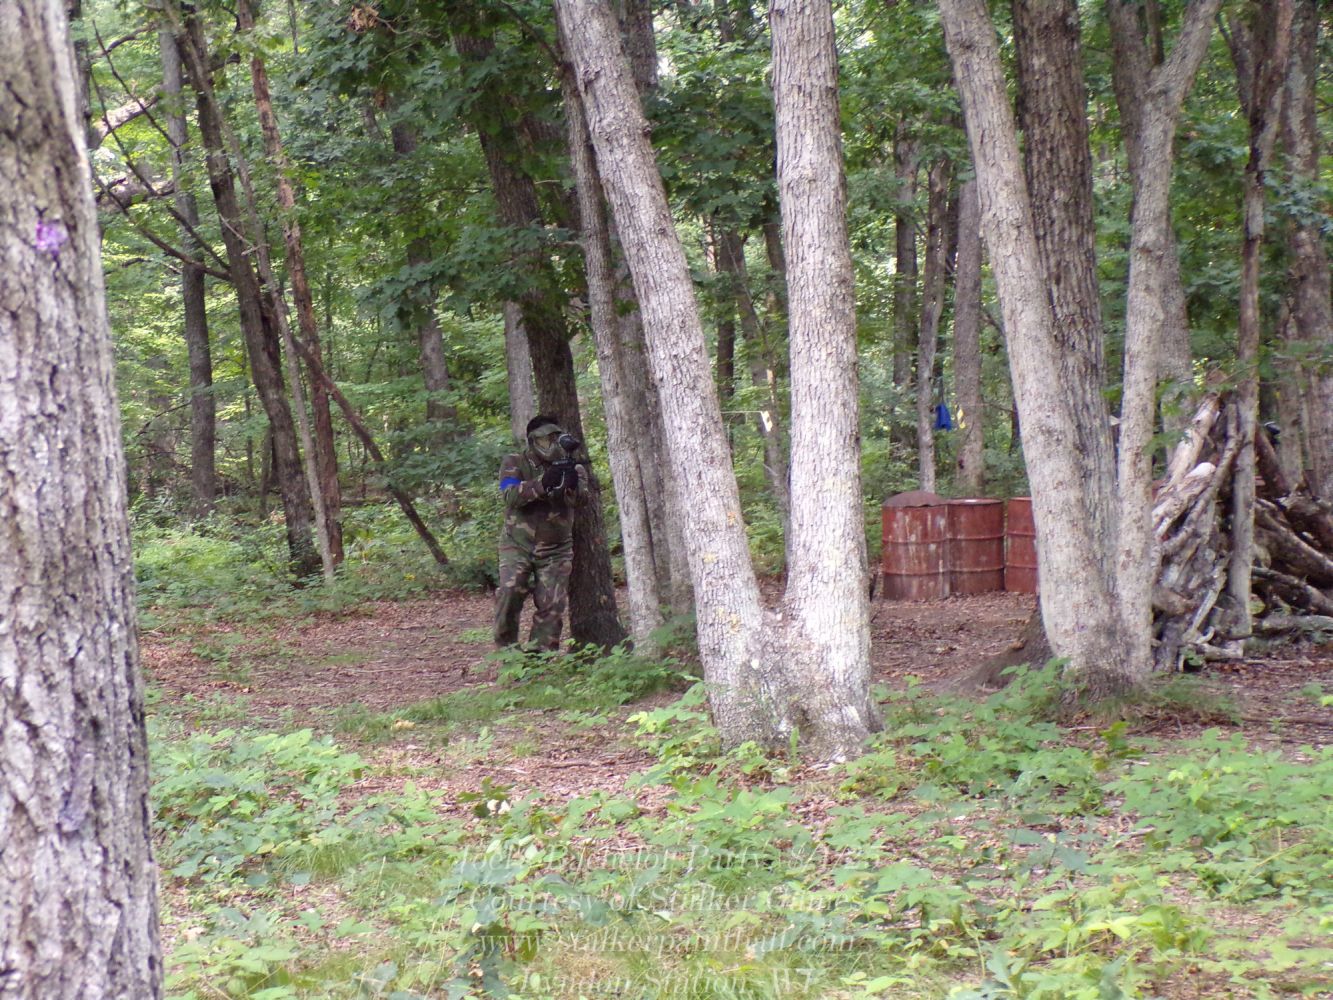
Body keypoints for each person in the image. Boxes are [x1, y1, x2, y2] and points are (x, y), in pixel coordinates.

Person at [494, 414, 590, 650]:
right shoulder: (514, 463)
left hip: (556, 548)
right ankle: (507, 652)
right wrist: (543, 483)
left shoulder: (574, 467)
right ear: (532, 441)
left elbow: (581, 501)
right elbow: (510, 496)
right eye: (545, 440)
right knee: (509, 593)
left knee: (552, 604)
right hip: (517, 544)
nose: (550, 445)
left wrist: (571, 484)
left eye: (554, 439)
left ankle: (540, 658)